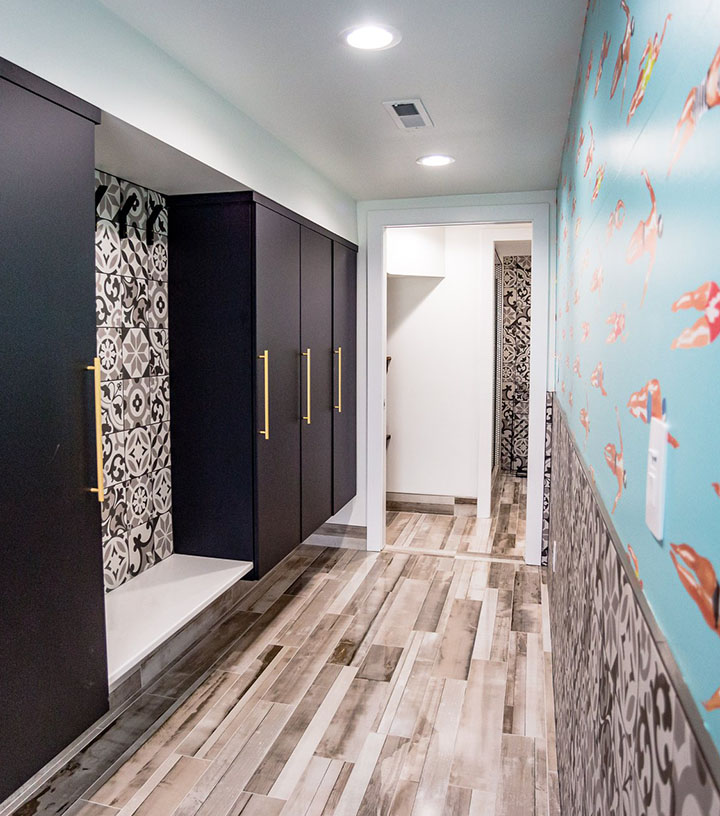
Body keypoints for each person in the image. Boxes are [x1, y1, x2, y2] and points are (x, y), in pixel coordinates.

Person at [669, 45, 720, 174]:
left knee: (684, 123)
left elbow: (681, 144)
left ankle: (672, 155)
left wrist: (671, 164)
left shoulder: (691, 122)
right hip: (704, 96)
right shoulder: (691, 119)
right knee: (683, 122)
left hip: (708, 99)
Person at [627, 15, 671, 124]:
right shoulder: (651, 48)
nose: (656, 42)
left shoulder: (657, 51)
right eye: (655, 40)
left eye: (656, 41)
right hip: (644, 72)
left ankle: (632, 111)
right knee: (637, 92)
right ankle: (631, 111)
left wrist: (666, 21)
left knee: (640, 95)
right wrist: (641, 61)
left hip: (647, 76)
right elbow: (646, 51)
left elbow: (663, 36)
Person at [626, 170, 662, 304]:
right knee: (641, 225)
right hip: (640, 234)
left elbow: (648, 273)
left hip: (642, 244)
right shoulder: (653, 216)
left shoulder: (653, 245)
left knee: (629, 260)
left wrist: (643, 296)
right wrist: (646, 175)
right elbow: (652, 193)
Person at [670, 281, 720, 349]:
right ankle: (679, 303)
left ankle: (681, 341)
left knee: (696, 337)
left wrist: (679, 342)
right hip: (713, 296)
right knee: (697, 298)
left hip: (712, 326)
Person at [611, 0, 635, 108]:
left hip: (623, 52)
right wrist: (624, 4)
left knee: (618, 73)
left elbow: (626, 72)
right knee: (617, 72)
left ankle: (613, 91)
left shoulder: (628, 37)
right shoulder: (628, 31)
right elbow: (628, 14)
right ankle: (612, 91)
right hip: (622, 51)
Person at [604, 407, 626, 513]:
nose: (612, 446)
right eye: (611, 447)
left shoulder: (618, 456)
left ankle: (612, 510)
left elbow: (620, 432)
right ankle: (612, 510)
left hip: (620, 472)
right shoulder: (613, 460)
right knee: (620, 491)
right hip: (620, 473)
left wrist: (617, 414)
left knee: (620, 491)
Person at [595, 31, 611, 96]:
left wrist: (609, 42)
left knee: (599, 73)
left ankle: (596, 89)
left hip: (601, 65)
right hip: (601, 64)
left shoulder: (604, 48)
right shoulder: (603, 47)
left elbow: (605, 54)